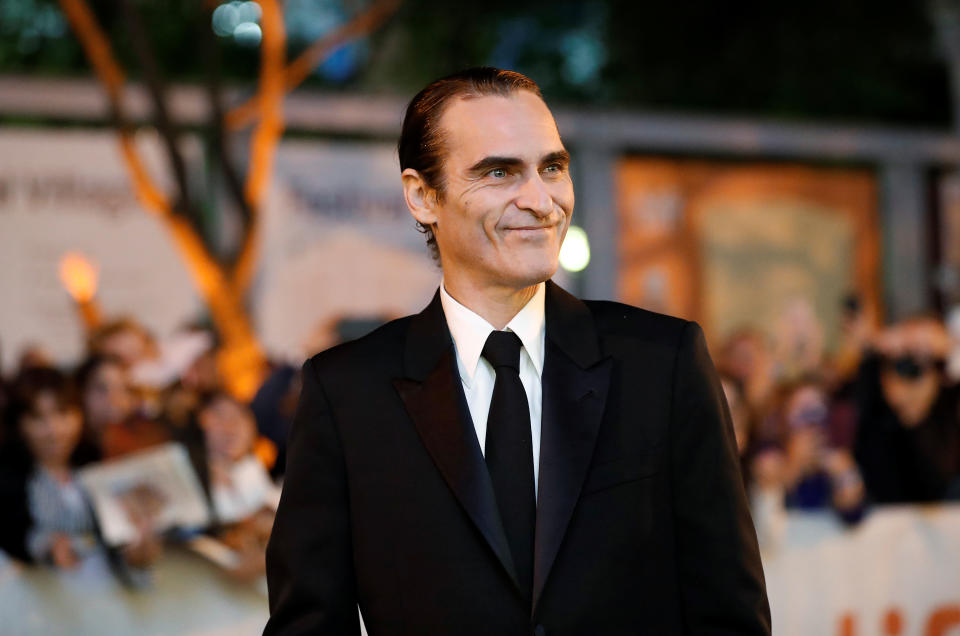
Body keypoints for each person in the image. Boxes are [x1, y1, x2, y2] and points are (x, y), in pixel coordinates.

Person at [265, 67, 770, 635]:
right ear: (423, 196)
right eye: (500, 172)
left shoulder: (663, 363)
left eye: (552, 167)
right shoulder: (348, 393)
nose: (541, 200)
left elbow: (730, 615)